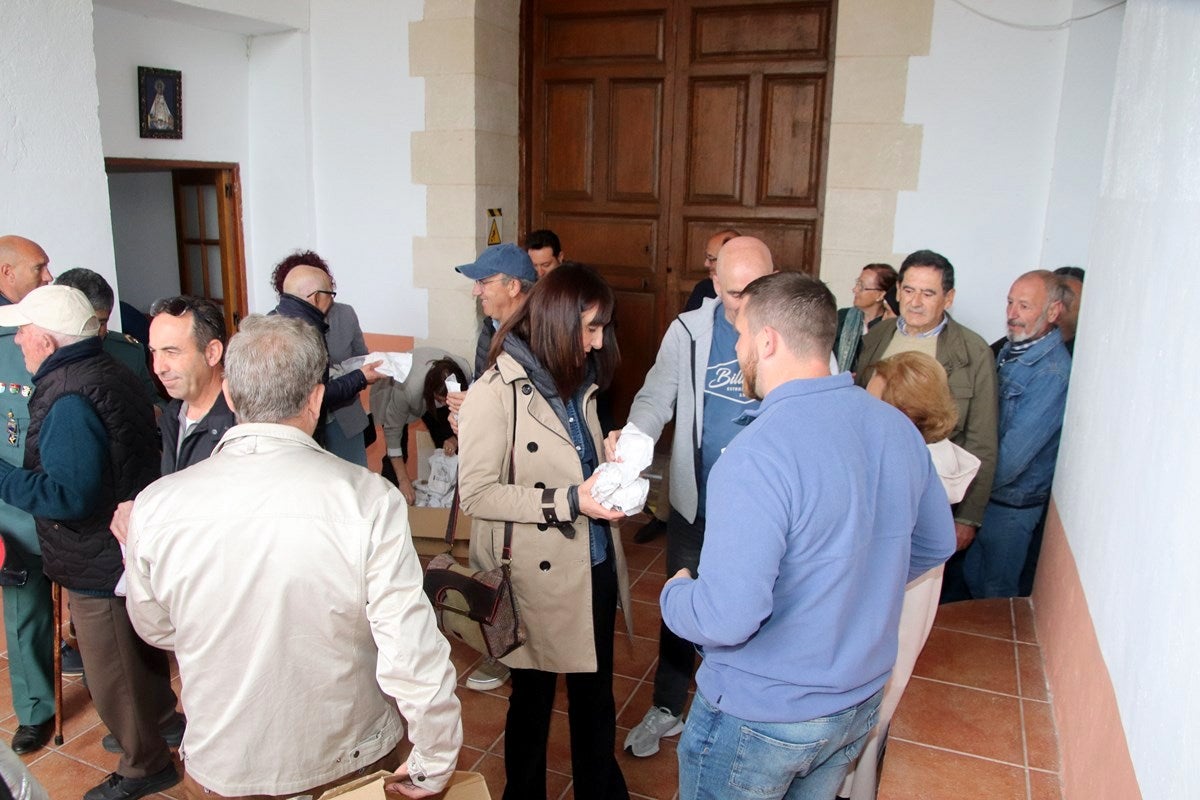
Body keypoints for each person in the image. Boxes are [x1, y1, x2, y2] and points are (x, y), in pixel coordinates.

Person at [125, 314, 462, 799]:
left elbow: (155, 627)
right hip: (347, 755)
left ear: (232, 397)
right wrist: (434, 754)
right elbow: (409, 647)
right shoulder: (367, 499)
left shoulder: (157, 504)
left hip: (224, 758)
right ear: (317, 398)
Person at [660, 272, 957, 800]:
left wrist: (676, 594)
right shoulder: (895, 428)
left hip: (761, 716)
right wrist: (851, 583)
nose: (738, 351)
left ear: (769, 340)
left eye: (743, 337)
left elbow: (727, 617)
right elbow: (936, 543)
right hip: (855, 702)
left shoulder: (756, 455)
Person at [457, 264, 632, 800]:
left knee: (595, 699)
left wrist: (605, 452)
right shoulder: (496, 390)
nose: (600, 341)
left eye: (603, 327)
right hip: (534, 575)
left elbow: (571, 459)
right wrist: (570, 500)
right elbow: (478, 495)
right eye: (591, 328)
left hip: (594, 561)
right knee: (531, 700)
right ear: (557, 322)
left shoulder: (583, 380)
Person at [0, 285, 178, 800]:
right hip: (118, 546)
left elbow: (68, 496)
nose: (18, 344)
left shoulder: (69, 398)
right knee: (135, 654)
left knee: (113, 673)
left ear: (49, 342)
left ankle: (146, 764)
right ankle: (158, 724)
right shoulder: (104, 369)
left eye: (25, 334)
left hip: (95, 554)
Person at [611, 236, 773, 758]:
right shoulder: (690, 331)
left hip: (766, 505)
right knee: (683, 601)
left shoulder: (790, 323)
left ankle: (752, 711)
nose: (743, 308)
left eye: (755, 294)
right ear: (714, 284)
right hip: (697, 499)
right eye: (732, 295)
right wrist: (633, 444)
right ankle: (666, 706)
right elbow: (657, 396)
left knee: (762, 606)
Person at [841, 351, 981, 800]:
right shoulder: (929, 455)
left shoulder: (905, 465)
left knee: (870, 699)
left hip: (895, 592)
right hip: (913, 589)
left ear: (902, 414)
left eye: (873, 400)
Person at [854, 249, 997, 558]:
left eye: (928, 293)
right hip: (871, 488)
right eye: (908, 290)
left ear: (948, 298)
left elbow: (982, 439)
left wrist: (967, 517)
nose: (915, 302)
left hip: (931, 495)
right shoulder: (877, 336)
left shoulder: (973, 352)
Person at [447, 243, 536, 692]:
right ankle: (503, 647)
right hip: (492, 463)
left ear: (513, 286)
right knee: (492, 562)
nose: (476, 291)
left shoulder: (540, 334)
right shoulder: (493, 329)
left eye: (483, 282)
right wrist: (468, 409)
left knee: (513, 565)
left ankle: (517, 656)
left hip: (521, 473)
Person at [964, 270, 1071, 598]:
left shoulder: (1052, 372)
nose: (1012, 314)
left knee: (996, 597)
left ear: (1052, 312)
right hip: (988, 498)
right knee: (972, 581)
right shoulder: (1012, 352)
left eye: (1024, 306)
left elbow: (1013, 458)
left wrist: (966, 491)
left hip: (1010, 507)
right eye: (1010, 303)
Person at [0, 235, 55, 756]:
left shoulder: (51, 327)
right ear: (5, 272)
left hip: (65, 490)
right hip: (10, 505)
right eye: (39, 267)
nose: (47, 276)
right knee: (22, 608)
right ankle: (35, 708)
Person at [272, 260, 383, 463]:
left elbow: (361, 356)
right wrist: (357, 378)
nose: (332, 299)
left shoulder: (345, 314)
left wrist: (361, 371)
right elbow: (310, 393)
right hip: (303, 429)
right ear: (316, 297)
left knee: (352, 480)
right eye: (329, 293)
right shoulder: (278, 331)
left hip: (344, 418)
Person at [369, 348, 471, 504]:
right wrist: (403, 480)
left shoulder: (465, 373)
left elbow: (469, 418)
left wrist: (455, 438)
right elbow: (393, 433)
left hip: (433, 391)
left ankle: (450, 502)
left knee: (448, 446)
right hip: (392, 391)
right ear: (431, 393)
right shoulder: (408, 388)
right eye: (440, 400)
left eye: (447, 400)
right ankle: (388, 502)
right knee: (398, 454)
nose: (444, 404)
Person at [54, 268, 162, 410]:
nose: (94, 331)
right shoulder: (31, 353)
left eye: (102, 323)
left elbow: (155, 403)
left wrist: (154, 412)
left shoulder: (129, 353)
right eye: (87, 323)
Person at [833, 263, 897, 372]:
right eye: (857, 283)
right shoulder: (842, 317)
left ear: (880, 295)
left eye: (861, 286)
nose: (854, 289)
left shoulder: (888, 327)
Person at [683, 229, 740, 313]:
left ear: (730, 259)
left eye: (711, 258)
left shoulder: (757, 291)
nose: (705, 264)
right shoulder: (703, 289)